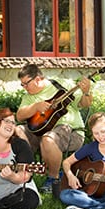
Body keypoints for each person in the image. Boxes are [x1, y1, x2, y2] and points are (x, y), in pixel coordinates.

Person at [15, 63, 93, 196]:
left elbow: (85, 104)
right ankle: (27, 171)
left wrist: (86, 92)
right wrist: (35, 107)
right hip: (40, 131)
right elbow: (19, 116)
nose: (24, 87)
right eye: (22, 84)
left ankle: (53, 178)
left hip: (70, 131)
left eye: (26, 83)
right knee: (18, 131)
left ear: (38, 79)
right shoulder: (28, 97)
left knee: (48, 139)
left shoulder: (61, 85)